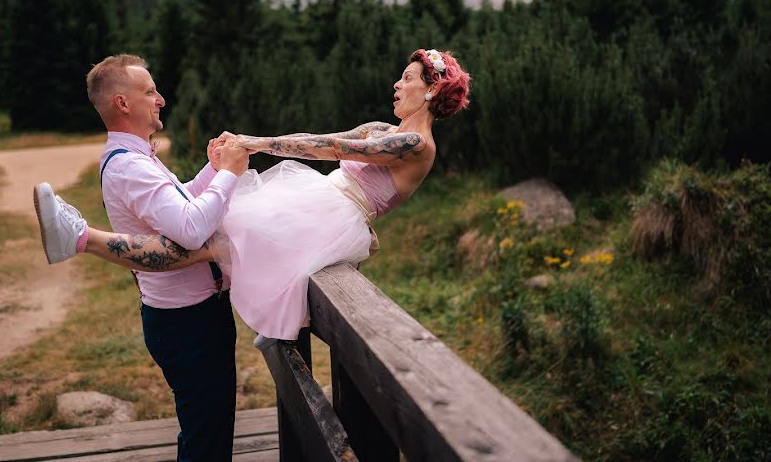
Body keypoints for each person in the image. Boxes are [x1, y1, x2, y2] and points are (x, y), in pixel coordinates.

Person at [35, 48, 469, 352]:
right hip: (318, 198)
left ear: (431, 91)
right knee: (210, 227)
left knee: (212, 230)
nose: (397, 83)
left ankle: (80, 238)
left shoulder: (415, 142)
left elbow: (330, 149)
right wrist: (250, 145)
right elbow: (318, 139)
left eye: (408, 78)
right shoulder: (382, 128)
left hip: (337, 212)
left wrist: (256, 143)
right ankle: (78, 237)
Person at [35, 54, 249, 462]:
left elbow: (175, 206)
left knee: (209, 428)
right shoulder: (130, 167)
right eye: (149, 91)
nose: (161, 99)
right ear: (122, 103)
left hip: (192, 316)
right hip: (189, 323)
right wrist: (231, 174)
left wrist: (211, 170)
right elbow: (189, 228)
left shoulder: (136, 160)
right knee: (207, 438)